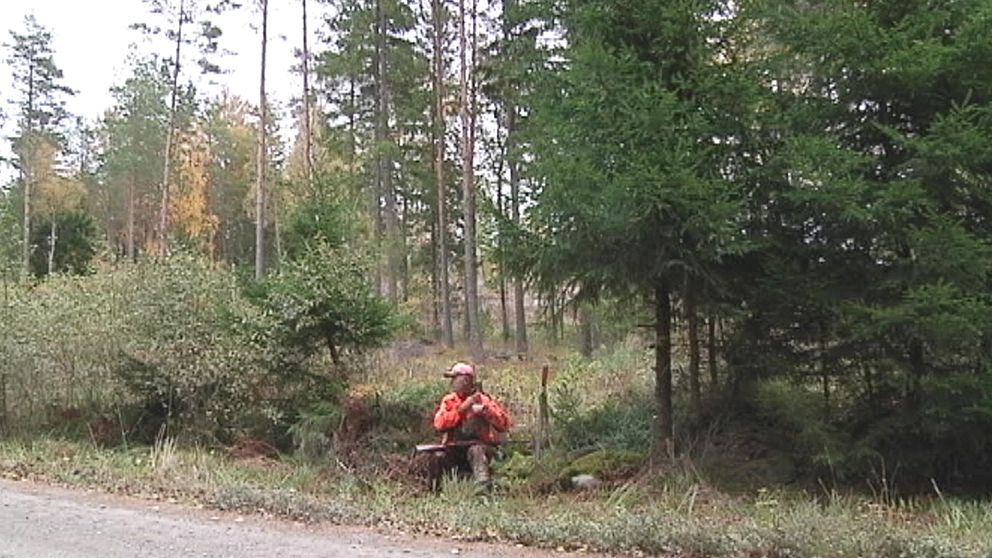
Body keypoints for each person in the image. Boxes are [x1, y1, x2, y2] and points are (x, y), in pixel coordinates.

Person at [428, 362, 511, 489]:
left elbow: (504, 424)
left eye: (455, 379)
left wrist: (486, 411)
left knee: (476, 450)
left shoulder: (483, 400)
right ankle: (435, 491)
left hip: (480, 450)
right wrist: (460, 411)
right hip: (454, 449)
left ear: (466, 381)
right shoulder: (449, 401)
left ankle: (483, 489)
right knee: (437, 457)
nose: (452, 383)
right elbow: (439, 424)